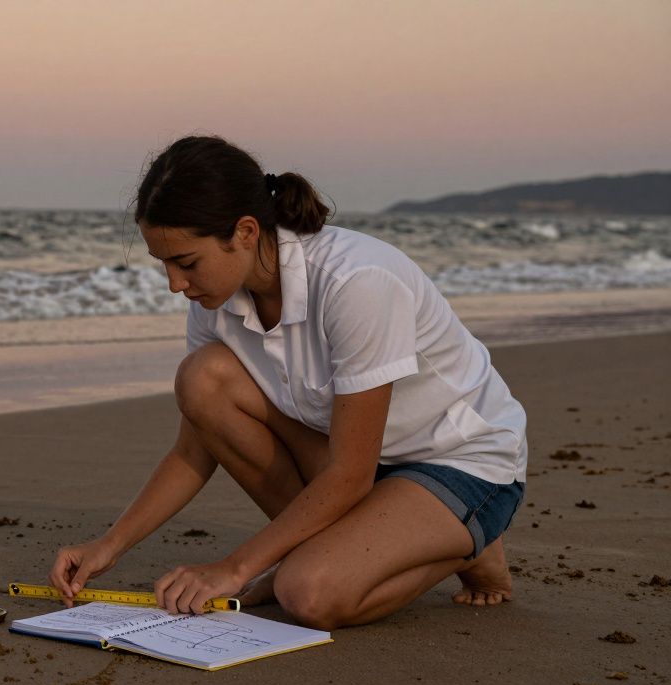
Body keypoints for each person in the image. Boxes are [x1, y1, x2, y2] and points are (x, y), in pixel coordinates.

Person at [48, 136, 527, 630]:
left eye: (186, 262)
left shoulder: (356, 282)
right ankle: (375, 539)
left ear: (246, 231)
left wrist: (235, 569)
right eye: (164, 264)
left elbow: (350, 474)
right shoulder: (215, 301)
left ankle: (469, 541)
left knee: (307, 593)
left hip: (458, 460)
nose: (175, 283)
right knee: (202, 381)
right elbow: (193, 451)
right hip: (360, 463)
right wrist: (108, 544)